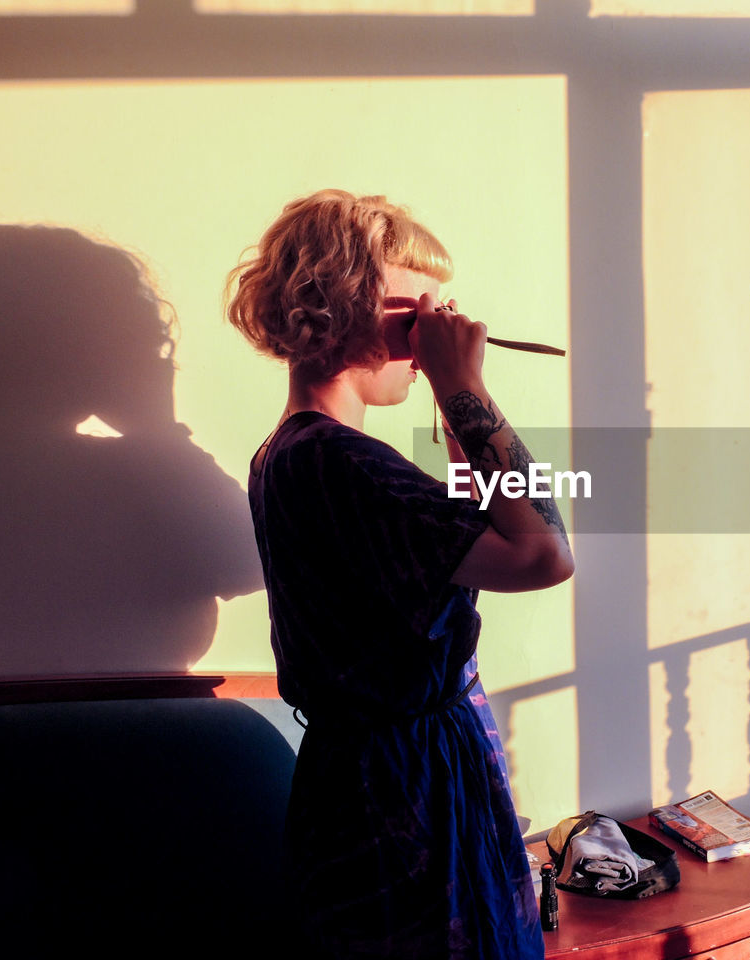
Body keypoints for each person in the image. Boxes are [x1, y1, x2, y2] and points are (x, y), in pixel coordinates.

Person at [226, 189, 573, 959]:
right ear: (340, 307)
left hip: (376, 782)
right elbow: (543, 552)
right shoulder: (337, 460)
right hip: (404, 799)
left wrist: (455, 411)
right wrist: (465, 386)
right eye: (418, 314)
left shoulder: (291, 452)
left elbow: (482, 531)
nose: (434, 336)